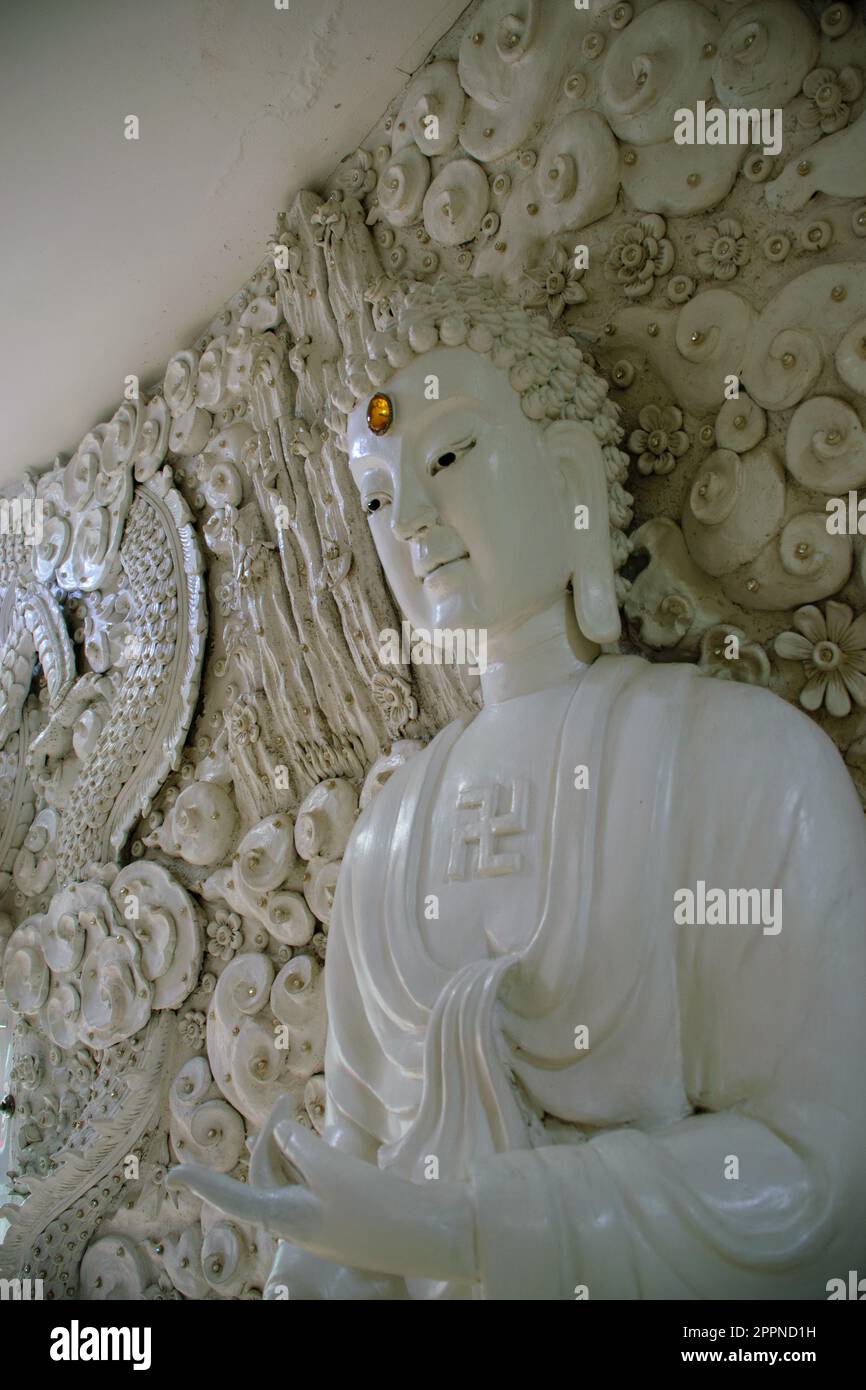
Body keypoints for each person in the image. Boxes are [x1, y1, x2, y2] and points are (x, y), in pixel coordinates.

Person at [170, 279, 866, 1299]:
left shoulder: (740, 764)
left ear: (571, 476)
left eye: (448, 456)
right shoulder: (383, 840)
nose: (406, 516)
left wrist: (469, 1232)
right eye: (373, 495)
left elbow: (823, 1177)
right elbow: (357, 1173)